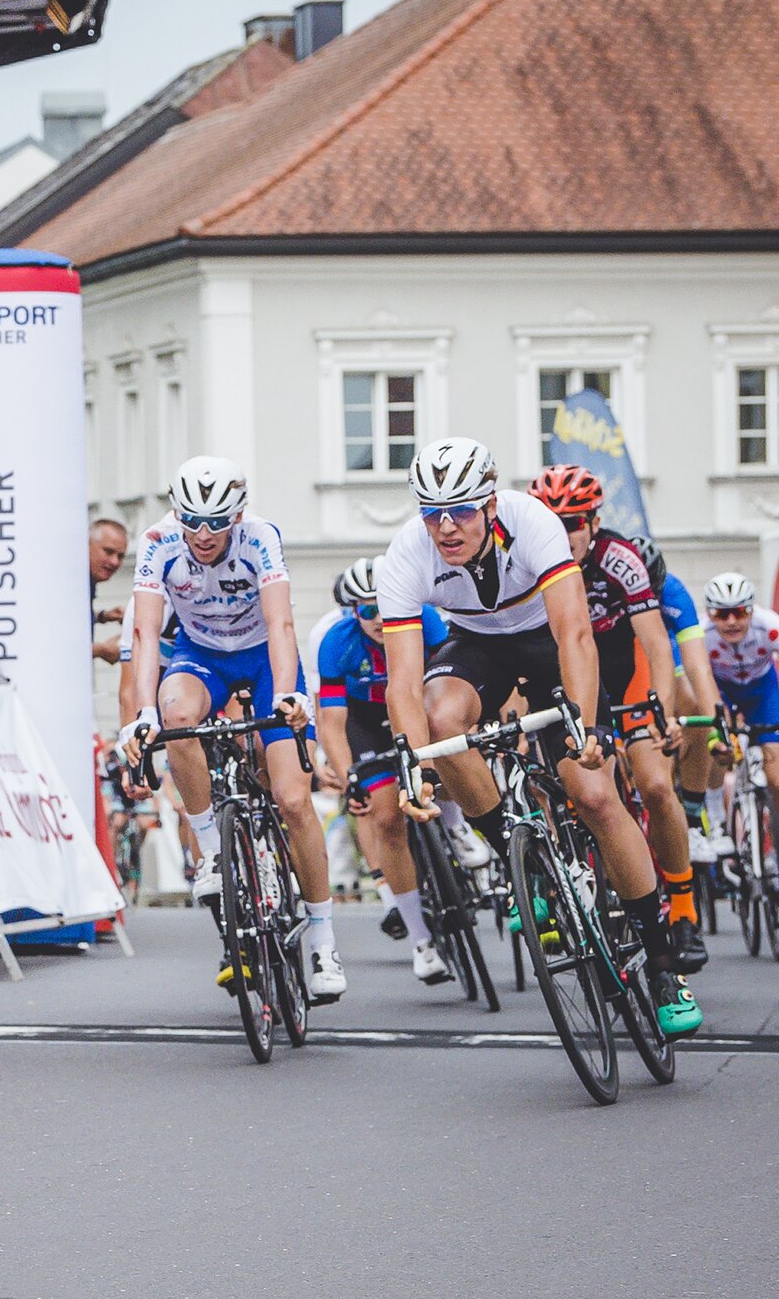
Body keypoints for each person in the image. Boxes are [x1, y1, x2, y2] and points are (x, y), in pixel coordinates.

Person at [378, 439, 699, 1037]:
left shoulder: (534, 525)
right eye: (432, 513)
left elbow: (576, 634)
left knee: (597, 796)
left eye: (462, 511)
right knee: (441, 720)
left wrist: (585, 723)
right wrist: (414, 763)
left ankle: (661, 964)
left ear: (491, 505)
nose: (445, 527)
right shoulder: (405, 554)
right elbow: (402, 681)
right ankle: (519, 854)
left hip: (551, 642)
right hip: (478, 645)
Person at [118, 457, 345, 1002]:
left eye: (216, 523)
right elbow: (147, 635)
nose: (201, 535)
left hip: (266, 658)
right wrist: (143, 716)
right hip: (204, 657)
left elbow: (280, 623)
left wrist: (289, 693)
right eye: (190, 521)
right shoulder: (156, 541)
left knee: (292, 799)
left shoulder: (260, 538)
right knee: (175, 718)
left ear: (237, 515)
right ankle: (214, 850)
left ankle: (321, 935)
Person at [528, 466, 704, 974]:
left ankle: (685, 907)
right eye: (553, 522)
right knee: (549, 781)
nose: (565, 535)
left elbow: (654, 641)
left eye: (575, 523)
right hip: (569, 678)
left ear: (595, 520)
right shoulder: (530, 565)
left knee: (653, 784)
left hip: (625, 677)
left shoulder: (619, 559)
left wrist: (661, 712)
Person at [315, 557, 482, 983]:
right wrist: (348, 773)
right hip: (367, 721)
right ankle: (421, 941)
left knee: (442, 755)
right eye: (366, 610)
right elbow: (332, 723)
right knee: (387, 817)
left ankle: (458, 828)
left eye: (384, 607)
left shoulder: (425, 620)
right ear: (352, 612)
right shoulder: (338, 643)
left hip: (418, 707)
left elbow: (456, 680)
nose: (377, 618)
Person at [630, 534, 729, 863]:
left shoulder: (673, 590)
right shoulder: (602, 587)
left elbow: (698, 666)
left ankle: (692, 818)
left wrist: (716, 724)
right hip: (622, 660)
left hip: (663, 657)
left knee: (693, 705)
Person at [701, 571, 779, 808]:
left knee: (776, 776)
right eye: (722, 614)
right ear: (710, 614)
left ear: (752, 610)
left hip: (762, 691)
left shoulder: (769, 625)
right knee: (720, 749)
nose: (732, 621)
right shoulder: (702, 634)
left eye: (740, 611)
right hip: (722, 691)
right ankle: (715, 819)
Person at [89, 517, 131, 662]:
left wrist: (104, 616)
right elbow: (52, 642)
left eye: (120, 556)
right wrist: (103, 650)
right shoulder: (69, 583)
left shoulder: (87, 580)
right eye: (108, 552)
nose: (115, 562)